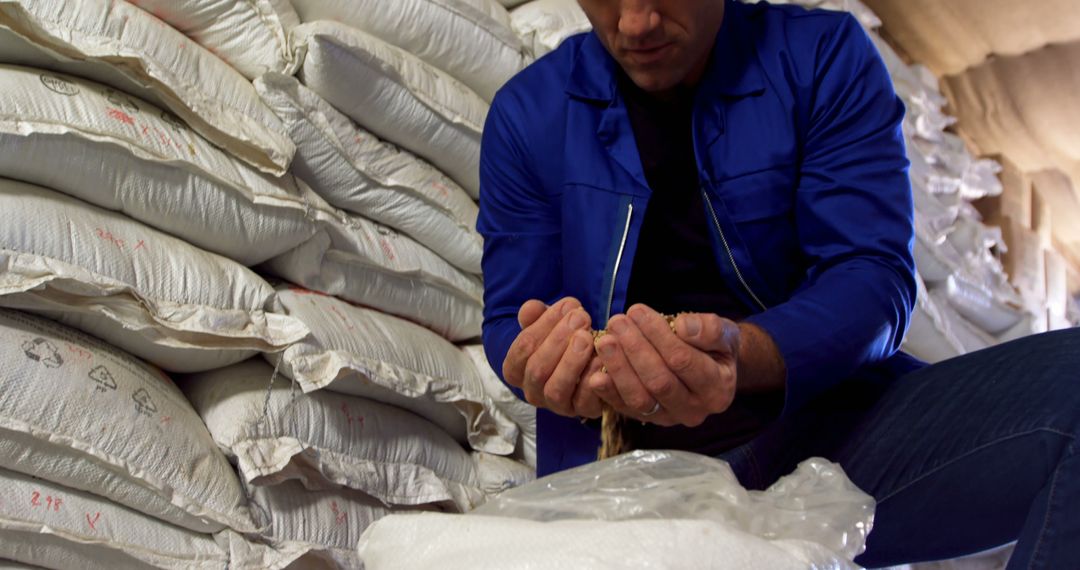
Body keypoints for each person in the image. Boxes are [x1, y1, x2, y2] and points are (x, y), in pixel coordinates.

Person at [477, 0, 1079, 567]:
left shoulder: (820, 57)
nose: (637, 23)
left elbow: (874, 278)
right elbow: (509, 321)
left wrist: (741, 354)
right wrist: (548, 364)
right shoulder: (529, 115)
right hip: (629, 483)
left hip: (841, 444)